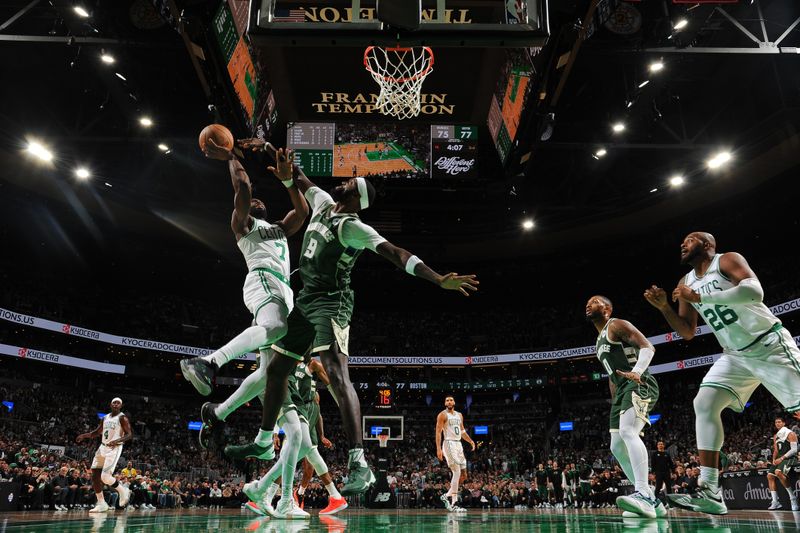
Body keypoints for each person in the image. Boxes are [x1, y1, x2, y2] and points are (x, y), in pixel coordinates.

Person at [233, 139, 479, 495]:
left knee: (335, 373)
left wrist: (438, 278)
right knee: (276, 368)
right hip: (305, 300)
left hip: (333, 305)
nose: (346, 179)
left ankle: (358, 461)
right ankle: (263, 438)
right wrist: (269, 149)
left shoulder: (352, 226)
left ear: (356, 197)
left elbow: (395, 253)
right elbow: (297, 175)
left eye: (351, 182)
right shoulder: (322, 203)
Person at [644, 231, 800, 515]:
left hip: (768, 344)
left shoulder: (726, 260)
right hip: (735, 356)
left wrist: (701, 295)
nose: (682, 243)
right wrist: (666, 307)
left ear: (707, 245)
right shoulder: (684, 282)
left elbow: (755, 292)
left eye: (690, 240)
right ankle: (711, 490)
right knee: (704, 403)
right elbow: (687, 332)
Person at [180, 142, 308, 453]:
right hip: (263, 281)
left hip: (281, 291)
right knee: (277, 327)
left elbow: (302, 211)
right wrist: (233, 158)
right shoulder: (245, 225)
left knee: (269, 373)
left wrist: (289, 180)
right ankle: (208, 362)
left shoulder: (278, 228)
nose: (258, 201)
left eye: (260, 201)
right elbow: (244, 187)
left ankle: (217, 412)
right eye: (252, 202)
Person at [585, 295, 664, 519]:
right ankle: (653, 501)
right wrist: (615, 403)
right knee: (617, 446)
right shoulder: (599, 340)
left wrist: (637, 372)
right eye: (587, 302)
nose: (588, 304)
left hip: (638, 382)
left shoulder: (617, 324)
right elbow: (612, 376)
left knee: (629, 432)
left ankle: (643, 494)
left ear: (607, 309)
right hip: (621, 390)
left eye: (595, 301)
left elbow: (647, 347)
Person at [241, 359, 346, 519]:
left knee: (294, 452)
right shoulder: (288, 367)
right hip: (297, 410)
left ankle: (267, 494)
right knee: (307, 454)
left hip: (305, 411)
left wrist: (343, 401)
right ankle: (334, 496)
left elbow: (330, 385)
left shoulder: (311, 366)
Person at [76, 398, 132, 512]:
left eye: (118, 403)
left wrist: (117, 441)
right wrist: (84, 435)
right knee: (95, 476)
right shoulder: (105, 417)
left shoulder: (122, 418)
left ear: (121, 406)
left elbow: (129, 434)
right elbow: (97, 432)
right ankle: (101, 503)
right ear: (110, 404)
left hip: (114, 448)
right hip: (102, 447)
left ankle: (123, 491)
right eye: (114, 402)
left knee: (105, 477)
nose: (116, 404)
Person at [435, 396, 476, 512]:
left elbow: (462, 431)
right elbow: (438, 433)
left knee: (464, 476)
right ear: (444, 403)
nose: (449, 402)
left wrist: (470, 441)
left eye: (451, 400)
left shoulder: (459, 415)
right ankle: (454, 503)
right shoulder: (442, 415)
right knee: (456, 472)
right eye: (447, 400)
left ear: (454, 402)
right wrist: (438, 448)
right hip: (449, 443)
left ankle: (446, 495)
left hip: (458, 445)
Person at [767, 416, 799, 510]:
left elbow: (794, 450)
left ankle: (793, 498)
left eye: (779, 422)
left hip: (790, 457)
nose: (777, 424)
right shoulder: (776, 436)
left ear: (784, 423)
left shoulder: (790, 433)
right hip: (779, 458)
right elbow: (776, 450)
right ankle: (775, 502)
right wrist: (773, 459)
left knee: (778, 472)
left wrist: (781, 459)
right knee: (770, 476)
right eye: (776, 422)